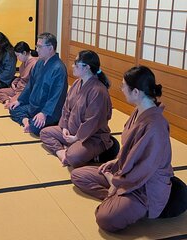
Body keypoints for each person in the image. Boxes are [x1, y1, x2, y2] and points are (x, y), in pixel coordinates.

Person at [71, 66, 175, 232]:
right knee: (78, 175)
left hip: (143, 188)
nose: (121, 89)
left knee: (105, 219)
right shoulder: (139, 111)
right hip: (124, 173)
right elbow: (130, 151)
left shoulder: (156, 126)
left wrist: (116, 182)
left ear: (135, 92)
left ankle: (119, 199)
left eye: (123, 86)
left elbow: (144, 168)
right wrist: (115, 162)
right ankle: (117, 198)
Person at [40, 50, 118, 168]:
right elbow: (66, 108)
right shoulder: (77, 83)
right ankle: (62, 152)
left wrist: (76, 138)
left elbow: (93, 121)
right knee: (45, 132)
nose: (72, 66)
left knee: (73, 157)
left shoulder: (98, 91)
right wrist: (65, 127)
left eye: (76, 64)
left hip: (92, 137)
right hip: (71, 132)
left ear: (86, 67)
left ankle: (76, 152)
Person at [9, 32, 67, 136]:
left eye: (40, 47)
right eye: (37, 46)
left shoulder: (59, 69)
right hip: (34, 106)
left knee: (35, 128)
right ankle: (27, 121)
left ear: (50, 48)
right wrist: (20, 100)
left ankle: (31, 122)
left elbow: (56, 96)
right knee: (13, 108)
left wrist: (44, 113)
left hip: (48, 111)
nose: (36, 50)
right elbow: (30, 84)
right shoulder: (39, 63)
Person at [0, 41, 38, 108]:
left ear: (24, 53)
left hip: (24, 91)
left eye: (18, 55)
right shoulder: (24, 62)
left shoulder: (34, 64)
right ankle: (7, 100)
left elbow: (33, 83)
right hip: (17, 88)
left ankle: (11, 100)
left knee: (14, 104)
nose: (17, 58)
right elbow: (21, 76)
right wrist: (14, 82)